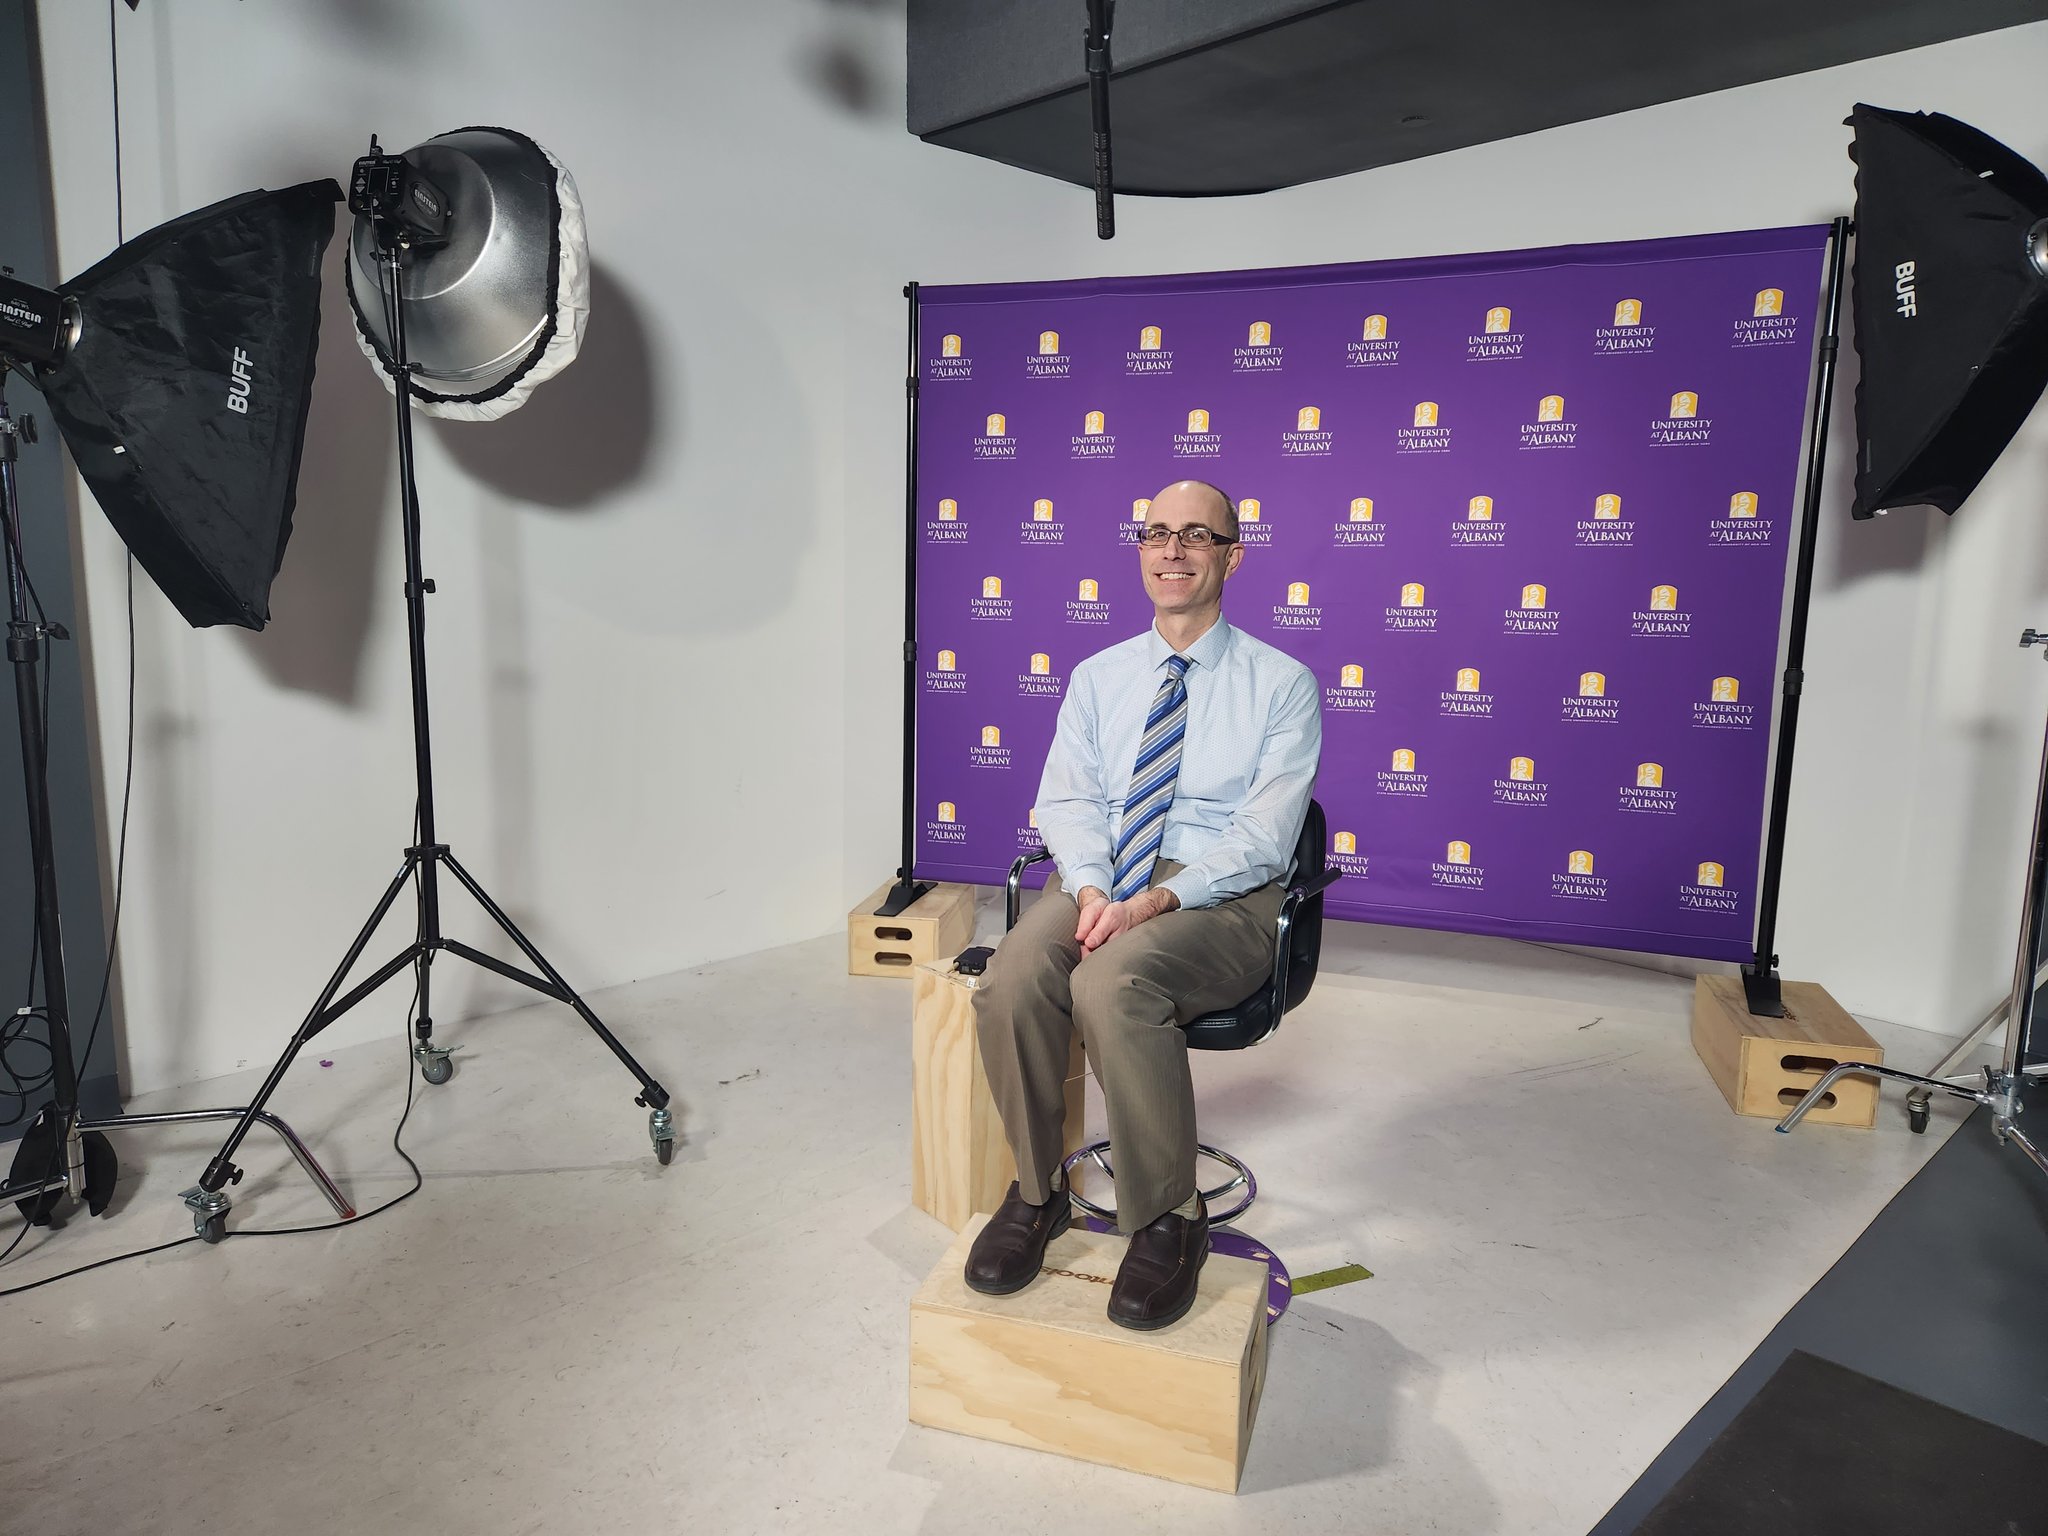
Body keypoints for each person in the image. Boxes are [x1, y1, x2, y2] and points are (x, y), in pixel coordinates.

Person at [967, 478, 1322, 1330]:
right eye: (1158, 534)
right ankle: (1037, 1190)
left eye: (1197, 536)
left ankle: (1170, 1217)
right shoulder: (1099, 676)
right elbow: (1067, 801)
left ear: (1232, 556)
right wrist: (1094, 887)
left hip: (1220, 892)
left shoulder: (1282, 683)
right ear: (1140, 552)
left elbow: (1266, 839)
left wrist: (1155, 899)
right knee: (1012, 977)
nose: (1173, 550)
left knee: (1112, 982)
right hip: (1108, 875)